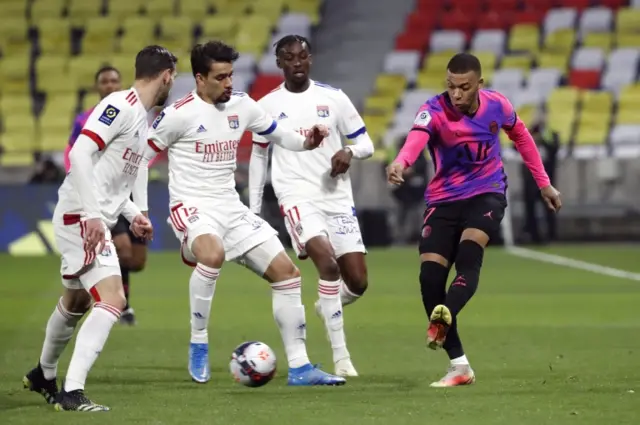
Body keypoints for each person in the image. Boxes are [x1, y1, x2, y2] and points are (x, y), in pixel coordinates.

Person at [145, 41, 346, 386]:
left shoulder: (243, 105)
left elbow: (283, 136)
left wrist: (310, 140)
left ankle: (299, 367)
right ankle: (199, 341)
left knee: (288, 273)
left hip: (230, 208)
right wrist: (138, 208)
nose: (228, 83)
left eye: (230, 75)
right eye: (220, 77)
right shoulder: (178, 115)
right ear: (199, 78)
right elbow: (140, 158)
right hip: (191, 206)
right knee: (213, 253)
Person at [386, 53, 562, 387]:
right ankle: (460, 366)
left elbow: (522, 137)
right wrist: (401, 162)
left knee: (469, 255)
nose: (456, 94)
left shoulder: (498, 106)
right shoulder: (434, 109)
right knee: (429, 279)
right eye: (451, 86)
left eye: (464, 87)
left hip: (486, 192)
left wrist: (544, 183)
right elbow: (416, 138)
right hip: (443, 200)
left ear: (478, 84)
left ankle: (444, 314)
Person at [23, 45, 177, 411]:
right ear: (167, 76)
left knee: (75, 301)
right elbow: (78, 154)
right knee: (113, 299)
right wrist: (93, 216)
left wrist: (134, 211)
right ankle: (72, 393)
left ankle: (43, 374)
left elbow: (111, 179)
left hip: (89, 216)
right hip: (82, 218)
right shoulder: (120, 106)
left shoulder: (142, 117)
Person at [248, 35, 374, 377]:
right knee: (328, 266)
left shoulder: (334, 98)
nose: (297, 63)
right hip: (296, 197)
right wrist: (255, 210)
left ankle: (326, 305)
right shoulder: (267, 105)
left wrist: (349, 152)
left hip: (336, 197)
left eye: (303, 56)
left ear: (311, 59)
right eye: (289, 58)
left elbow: (365, 142)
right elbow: (259, 157)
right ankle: (341, 357)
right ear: (279, 64)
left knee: (358, 283)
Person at [65, 66, 146, 326]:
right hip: (104, 193)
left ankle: (103, 288)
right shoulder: (86, 119)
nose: (110, 85)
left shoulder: (133, 114)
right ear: (97, 87)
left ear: (121, 83)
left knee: (137, 260)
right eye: (104, 81)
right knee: (120, 248)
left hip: (129, 191)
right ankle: (119, 305)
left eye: (114, 80)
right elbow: (74, 152)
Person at [521, 123, 559, 244]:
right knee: (530, 210)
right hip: (530, 182)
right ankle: (534, 236)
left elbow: (554, 147)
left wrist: (542, 137)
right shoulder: (526, 136)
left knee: (549, 209)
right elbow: (515, 145)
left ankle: (551, 236)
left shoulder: (550, 136)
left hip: (546, 182)